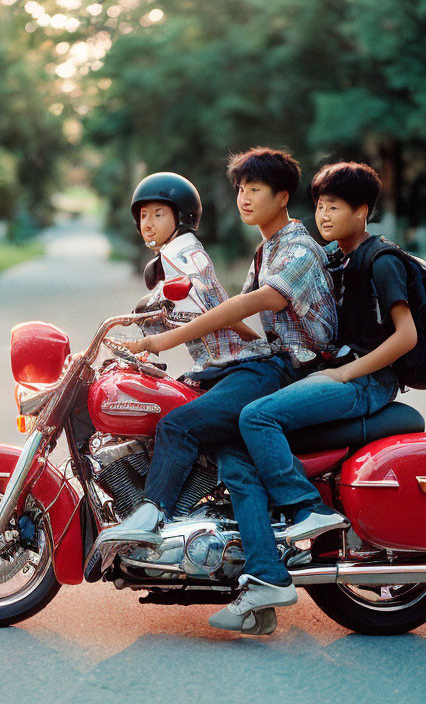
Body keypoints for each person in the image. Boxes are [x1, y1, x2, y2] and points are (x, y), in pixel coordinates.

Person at [91, 148, 337, 607]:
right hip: (264, 364)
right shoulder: (267, 251)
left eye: (255, 189)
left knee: (179, 424)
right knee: (235, 466)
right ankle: (266, 574)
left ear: (283, 196)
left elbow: (247, 307)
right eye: (240, 189)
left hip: (288, 370)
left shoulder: (298, 248)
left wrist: (160, 342)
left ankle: (151, 514)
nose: (243, 198)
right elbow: (234, 318)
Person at [207, 162, 416, 633]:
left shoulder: (380, 260)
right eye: (320, 205)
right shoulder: (334, 257)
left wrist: (347, 371)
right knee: (233, 442)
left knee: (257, 418)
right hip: (334, 372)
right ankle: (264, 576)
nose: (323, 214)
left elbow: (407, 336)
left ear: (362, 212)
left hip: (366, 380)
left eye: (335, 206)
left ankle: (308, 509)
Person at [128, 171, 264, 371]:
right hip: (213, 362)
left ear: (181, 217)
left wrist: (255, 341)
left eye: (158, 214)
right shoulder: (173, 251)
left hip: (226, 362)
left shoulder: (182, 253)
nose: (148, 223)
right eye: (143, 215)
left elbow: (210, 302)